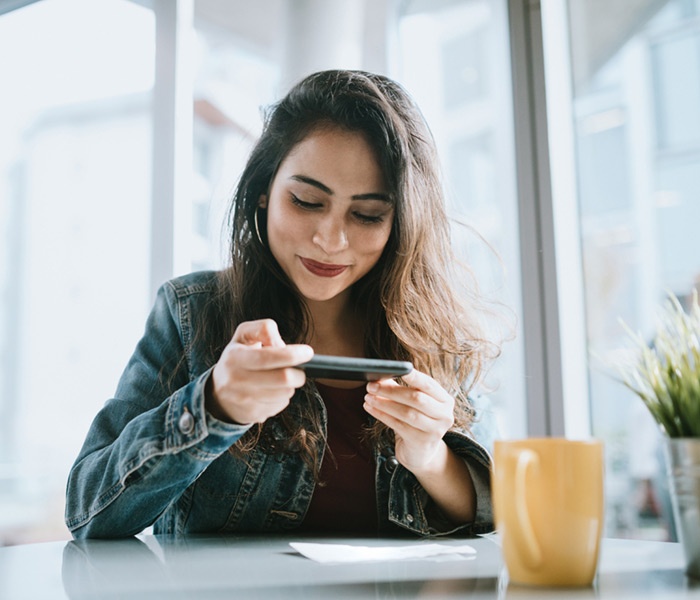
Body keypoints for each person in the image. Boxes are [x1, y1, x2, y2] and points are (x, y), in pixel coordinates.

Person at [65, 69, 500, 539]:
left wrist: (431, 456)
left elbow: (491, 512)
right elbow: (89, 512)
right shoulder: (191, 313)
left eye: (367, 214)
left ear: (401, 224)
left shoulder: (435, 335)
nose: (330, 240)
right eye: (306, 201)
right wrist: (214, 405)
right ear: (263, 192)